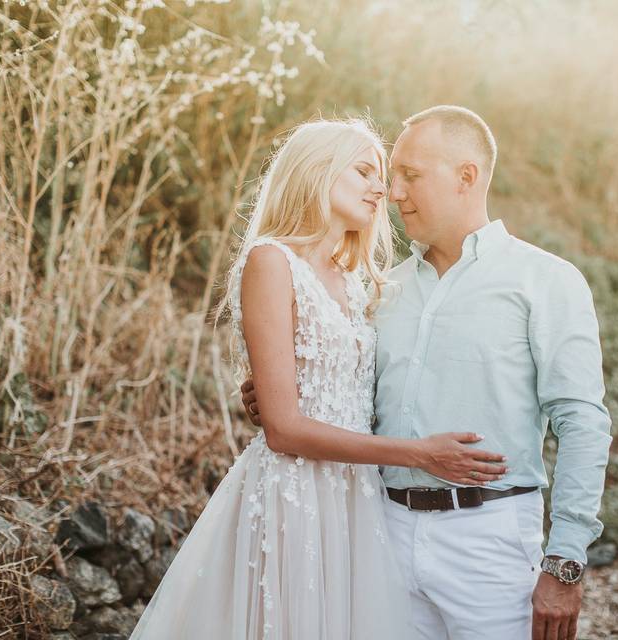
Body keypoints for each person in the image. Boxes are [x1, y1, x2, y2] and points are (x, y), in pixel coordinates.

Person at [128, 118, 507, 640]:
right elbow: (283, 429)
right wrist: (420, 453)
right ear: (316, 171)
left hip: (356, 494)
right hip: (295, 490)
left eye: (385, 176)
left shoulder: (354, 282)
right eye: (364, 172)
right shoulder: (271, 260)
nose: (383, 189)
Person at [242, 106, 612, 640]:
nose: (393, 193)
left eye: (410, 176)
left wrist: (565, 561)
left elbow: (582, 422)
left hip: (489, 537)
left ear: (467, 176)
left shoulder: (546, 281)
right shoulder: (376, 289)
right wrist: (277, 393)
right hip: (377, 533)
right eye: (391, 178)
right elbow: (342, 394)